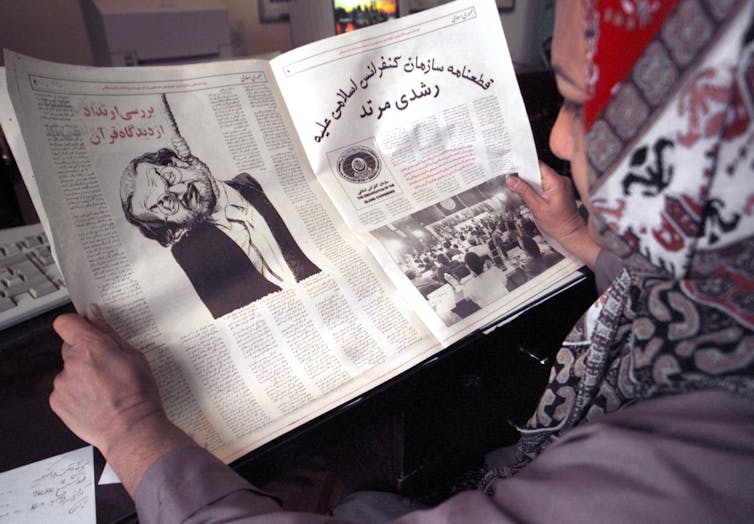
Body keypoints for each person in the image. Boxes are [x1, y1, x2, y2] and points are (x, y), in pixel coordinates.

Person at [51, 0, 754, 522]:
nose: (564, 142)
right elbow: (678, 306)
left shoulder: (712, 448)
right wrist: (584, 243)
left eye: (574, 99)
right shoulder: (723, 293)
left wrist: (132, 433)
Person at [120, 148, 320, 318]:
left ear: (176, 162)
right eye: (165, 203)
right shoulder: (192, 255)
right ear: (167, 224)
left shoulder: (256, 181)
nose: (181, 190)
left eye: (170, 177)